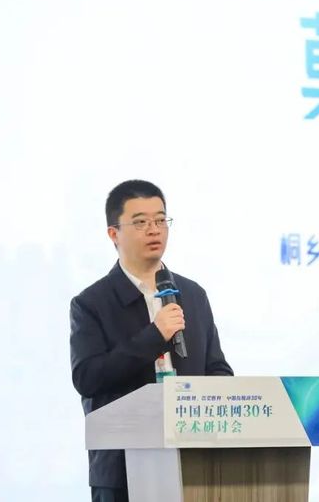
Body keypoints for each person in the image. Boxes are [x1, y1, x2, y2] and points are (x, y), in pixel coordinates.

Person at [69, 180, 233, 502]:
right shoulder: (91, 303)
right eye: (141, 222)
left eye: (160, 220)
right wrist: (154, 336)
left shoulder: (193, 295)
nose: (154, 229)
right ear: (113, 233)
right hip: (121, 470)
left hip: (193, 465)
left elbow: (217, 369)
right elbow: (87, 378)